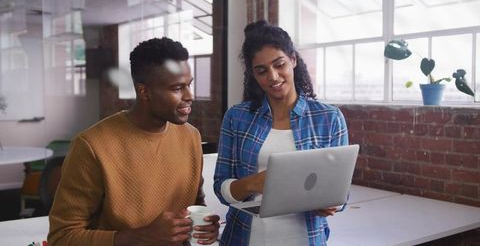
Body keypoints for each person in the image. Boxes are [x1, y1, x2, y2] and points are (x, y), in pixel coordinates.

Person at [48, 37, 220, 246]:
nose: (189, 95)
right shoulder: (91, 146)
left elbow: (194, 204)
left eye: (189, 85)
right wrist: (138, 237)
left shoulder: (191, 136)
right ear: (144, 91)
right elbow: (62, 237)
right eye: (177, 88)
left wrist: (205, 225)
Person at [213, 20, 349, 246]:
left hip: (305, 238)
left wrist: (331, 203)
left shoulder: (329, 118)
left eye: (279, 64)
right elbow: (220, 188)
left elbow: (341, 194)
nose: (273, 77)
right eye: (262, 71)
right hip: (245, 237)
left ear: (293, 60)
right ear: (254, 75)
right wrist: (252, 183)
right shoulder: (237, 117)